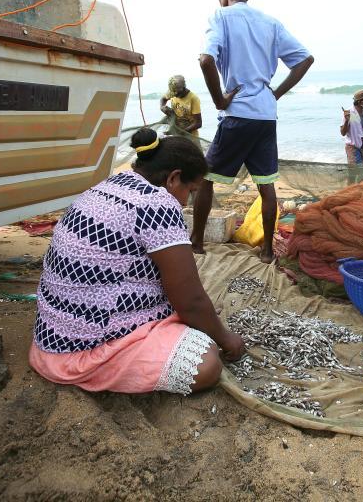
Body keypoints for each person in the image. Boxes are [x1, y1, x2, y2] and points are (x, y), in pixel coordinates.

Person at [28, 128, 245, 396]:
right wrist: (228, 340)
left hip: (52, 334)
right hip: (83, 348)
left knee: (198, 318)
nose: (187, 199)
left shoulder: (110, 185)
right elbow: (190, 302)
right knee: (206, 362)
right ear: (174, 178)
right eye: (190, 190)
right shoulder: (158, 204)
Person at [192, 0, 314, 263]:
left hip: (237, 115)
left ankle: (196, 242)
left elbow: (206, 60)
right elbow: (304, 60)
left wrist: (220, 100)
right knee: (266, 183)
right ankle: (268, 251)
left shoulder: (220, 16)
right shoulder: (270, 23)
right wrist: (275, 94)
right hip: (264, 116)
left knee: (206, 178)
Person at [341, 89, 363, 184]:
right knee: (354, 173)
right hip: (352, 148)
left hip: (360, 148)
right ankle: (351, 193)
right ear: (359, 101)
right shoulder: (349, 112)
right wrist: (346, 121)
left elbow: (358, 131)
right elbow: (342, 132)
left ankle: (359, 193)